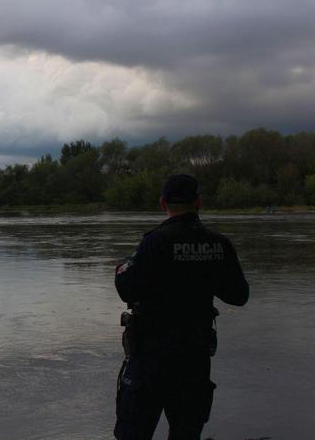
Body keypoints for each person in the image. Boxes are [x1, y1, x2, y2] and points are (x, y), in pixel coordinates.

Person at [113, 175, 249, 440]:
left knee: (133, 433)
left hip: (150, 356)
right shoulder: (219, 244)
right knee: (187, 432)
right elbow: (238, 296)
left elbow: (126, 287)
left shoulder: (154, 241)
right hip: (194, 358)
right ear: (199, 201)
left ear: (162, 202)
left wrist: (121, 269)